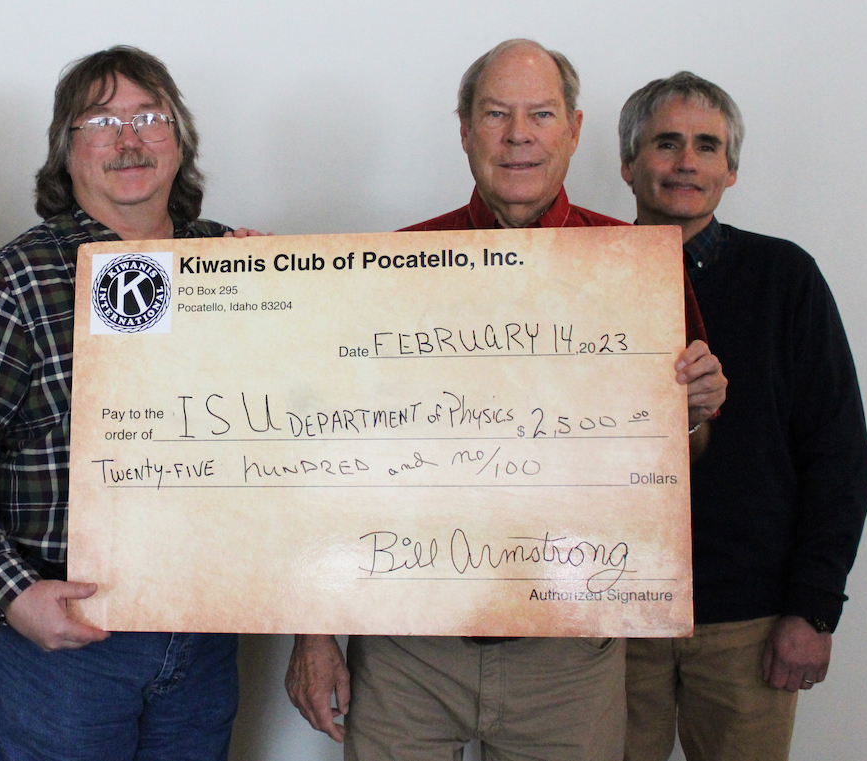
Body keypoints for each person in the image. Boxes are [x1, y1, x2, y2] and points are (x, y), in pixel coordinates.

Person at [285, 39, 726, 760]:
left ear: (574, 131)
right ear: (464, 130)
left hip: (569, 657)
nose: (518, 134)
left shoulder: (635, 268)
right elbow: (331, 464)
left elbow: (686, 449)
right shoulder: (386, 270)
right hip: (405, 650)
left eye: (540, 114)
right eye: (495, 113)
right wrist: (312, 634)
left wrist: (693, 413)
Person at [0, 46, 258, 760]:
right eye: (100, 121)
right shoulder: (15, 282)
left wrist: (289, 296)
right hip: (63, 643)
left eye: (149, 117)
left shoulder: (237, 263)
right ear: (67, 154)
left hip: (206, 631)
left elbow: (300, 418)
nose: (129, 140)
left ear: (179, 139)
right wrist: (12, 593)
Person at [618, 71, 867, 761]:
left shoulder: (786, 279)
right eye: (666, 143)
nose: (685, 162)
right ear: (628, 162)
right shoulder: (583, 274)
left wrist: (813, 607)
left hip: (748, 624)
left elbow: (840, 453)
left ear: (730, 170)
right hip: (611, 620)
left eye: (707, 146)